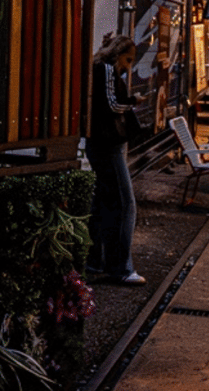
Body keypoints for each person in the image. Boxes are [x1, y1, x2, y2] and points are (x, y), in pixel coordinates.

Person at [87, 36, 145, 284]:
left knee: (102, 203)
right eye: (128, 59)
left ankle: (95, 260)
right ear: (118, 54)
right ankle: (120, 267)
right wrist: (133, 101)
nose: (128, 66)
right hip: (108, 143)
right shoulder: (107, 70)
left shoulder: (98, 69)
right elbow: (111, 105)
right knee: (124, 203)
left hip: (98, 143)